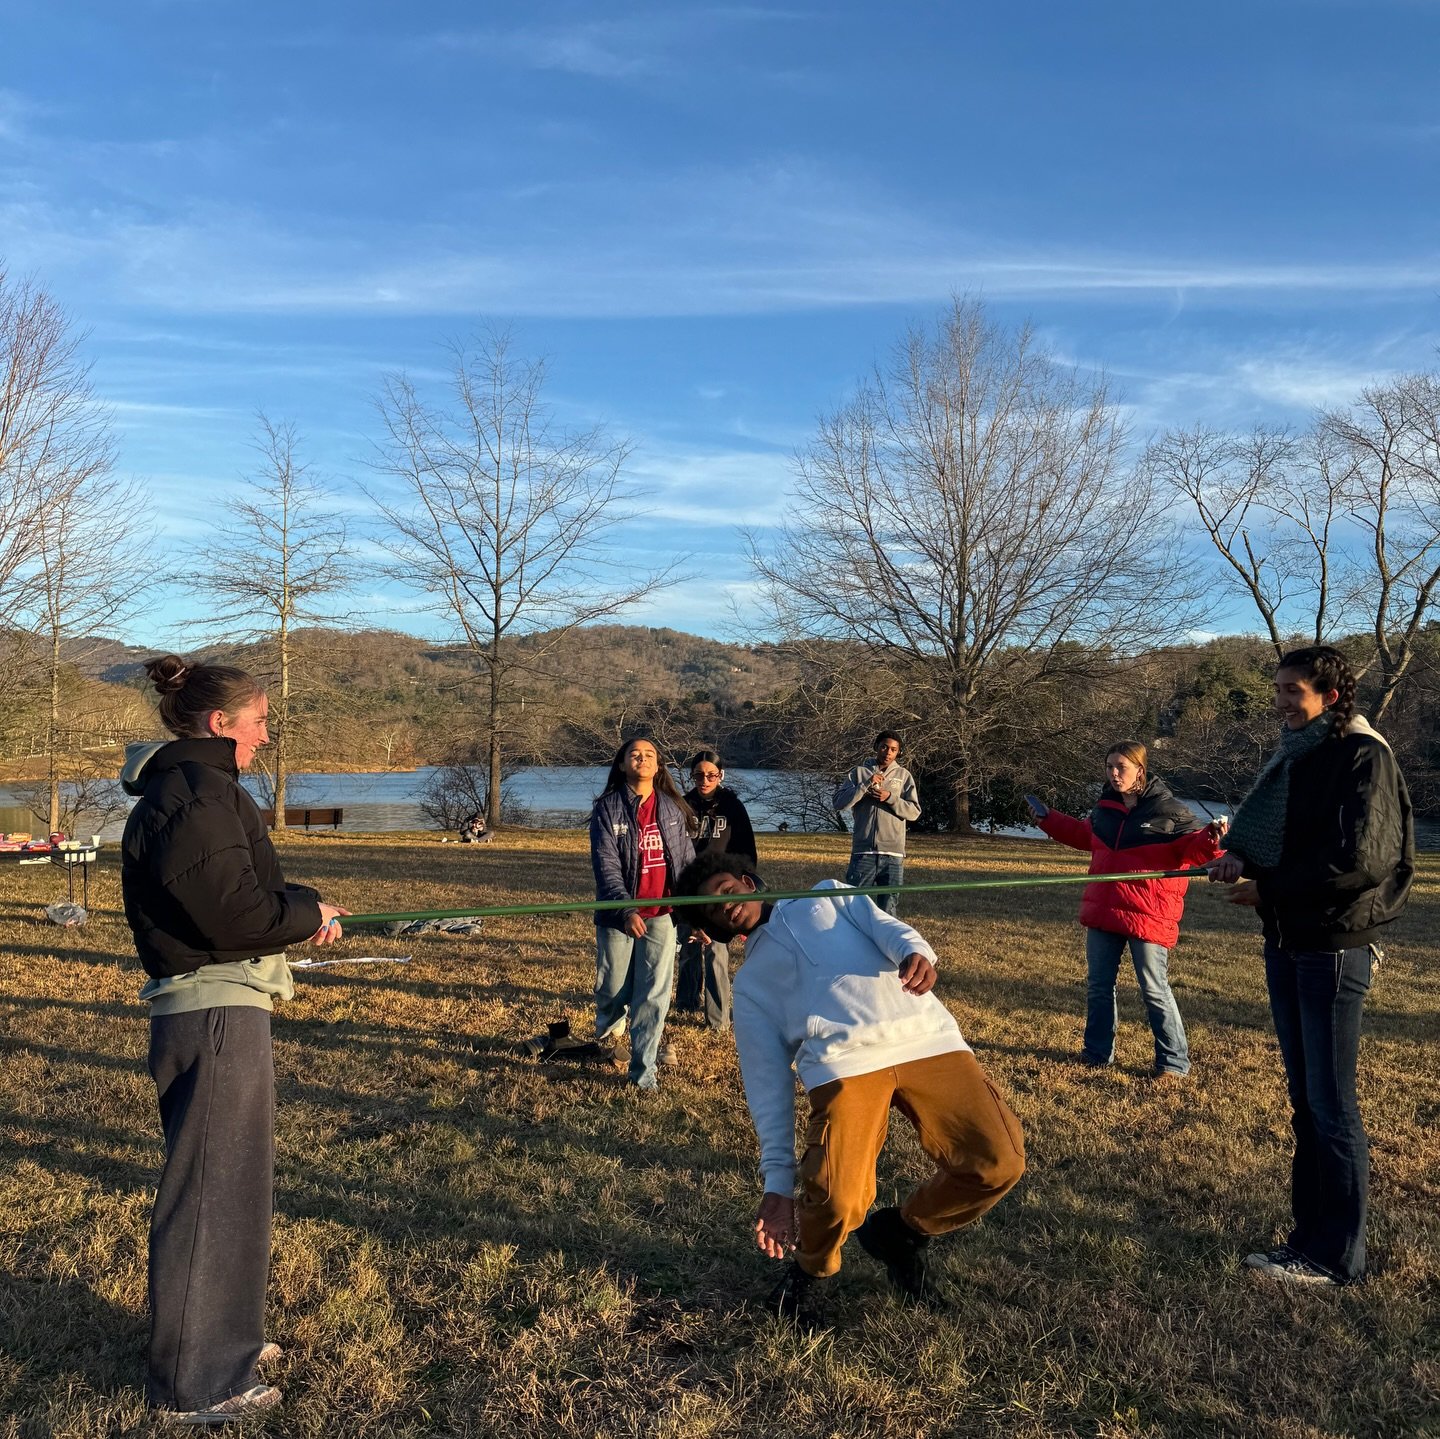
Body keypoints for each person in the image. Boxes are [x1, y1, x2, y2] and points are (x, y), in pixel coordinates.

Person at [120, 655, 349, 1425]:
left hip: (224, 1001)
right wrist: (307, 910)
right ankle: (197, 1379)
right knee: (211, 1188)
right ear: (221, 723)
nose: (264, 734)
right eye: (258, 721)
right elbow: (236, 916)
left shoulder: (203, 790)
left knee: (233, 1179)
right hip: (211, 1008)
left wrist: (301, 910)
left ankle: (223, 1335)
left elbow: (241, 905)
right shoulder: (194, 795)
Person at [677, 850, 1025, 1322]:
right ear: (717, 928)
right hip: (843, 1065)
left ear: (747, 881)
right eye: (713, 910)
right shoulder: (751, 983)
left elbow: (889, 928)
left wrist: (915, 951)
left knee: (998, 1161)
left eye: (726, 891)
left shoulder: (828, 896)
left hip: (927, 1040)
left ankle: (903, 1232)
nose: (726, 905)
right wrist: (777, 1184)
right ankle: (811, 1268)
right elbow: (766, 1085)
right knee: (837, 1196)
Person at [1207, 646, 1414, 1287]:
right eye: (1279, 689)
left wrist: (1271, 889)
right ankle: (1307, 1242)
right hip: (1289, 938)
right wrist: (1245, 859)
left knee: (1330, 1104)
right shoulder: (1299, 756)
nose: (1281, 702)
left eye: (1294, 690)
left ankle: (1335, 1257)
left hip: (1333, 946)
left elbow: (1360, 860)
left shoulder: (1361, 755)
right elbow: (1292, 841)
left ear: (1330, 694)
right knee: (1305, 1100)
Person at [1026, 741, 1225, 1078]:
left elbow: (1198, 850)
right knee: (1099, 986)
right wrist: (1048, 820)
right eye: (1109, 767)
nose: (1114, 774)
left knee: (1154, 989)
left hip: (1148, 914)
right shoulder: (1105, 809)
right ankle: (1096, 1054)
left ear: (1140, 771)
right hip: (1104, 910)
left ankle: (1173, 1064)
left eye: (1121, 767)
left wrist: (1212, 837)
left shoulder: (1169, 811)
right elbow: (1084, 835)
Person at [589, 736, 696, 1090]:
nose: (642, 759)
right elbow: (606, 867)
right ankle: (610, 1040)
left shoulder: (672, 809)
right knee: (612, 990)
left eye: (650, 754)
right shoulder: (607, 808)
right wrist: (626, 909)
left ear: (659, 765)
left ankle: (643, 1072)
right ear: (622, 764)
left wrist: (696, 916)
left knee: (653, 996)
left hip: (661, 915)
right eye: (635, 754)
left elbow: (686, 867)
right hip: (618, 916)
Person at [676, 750, 758, 1032]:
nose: (705, 780)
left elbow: (747, 849)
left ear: (720, 775)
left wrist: (743, 881)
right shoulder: (683, 805)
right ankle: (685, 1003)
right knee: (687, 947)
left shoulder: (732, 805)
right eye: (699, 774)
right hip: (689, 885)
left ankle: (718, 1019)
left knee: (715, 950)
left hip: (721, 888)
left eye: (711, 774)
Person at [832, 731, 921, 915]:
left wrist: (891, 798)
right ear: (876, 747)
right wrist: (864, 786)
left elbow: (914, 812)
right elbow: (839, 803)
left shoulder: (904, 776)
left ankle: (886, 943)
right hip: (863, 852)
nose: (888, 752)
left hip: (893, 854)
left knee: (888, 910)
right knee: (854, 907)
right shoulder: (858, 773)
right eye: (884, 747)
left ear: (898, 753)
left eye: (893, 749)